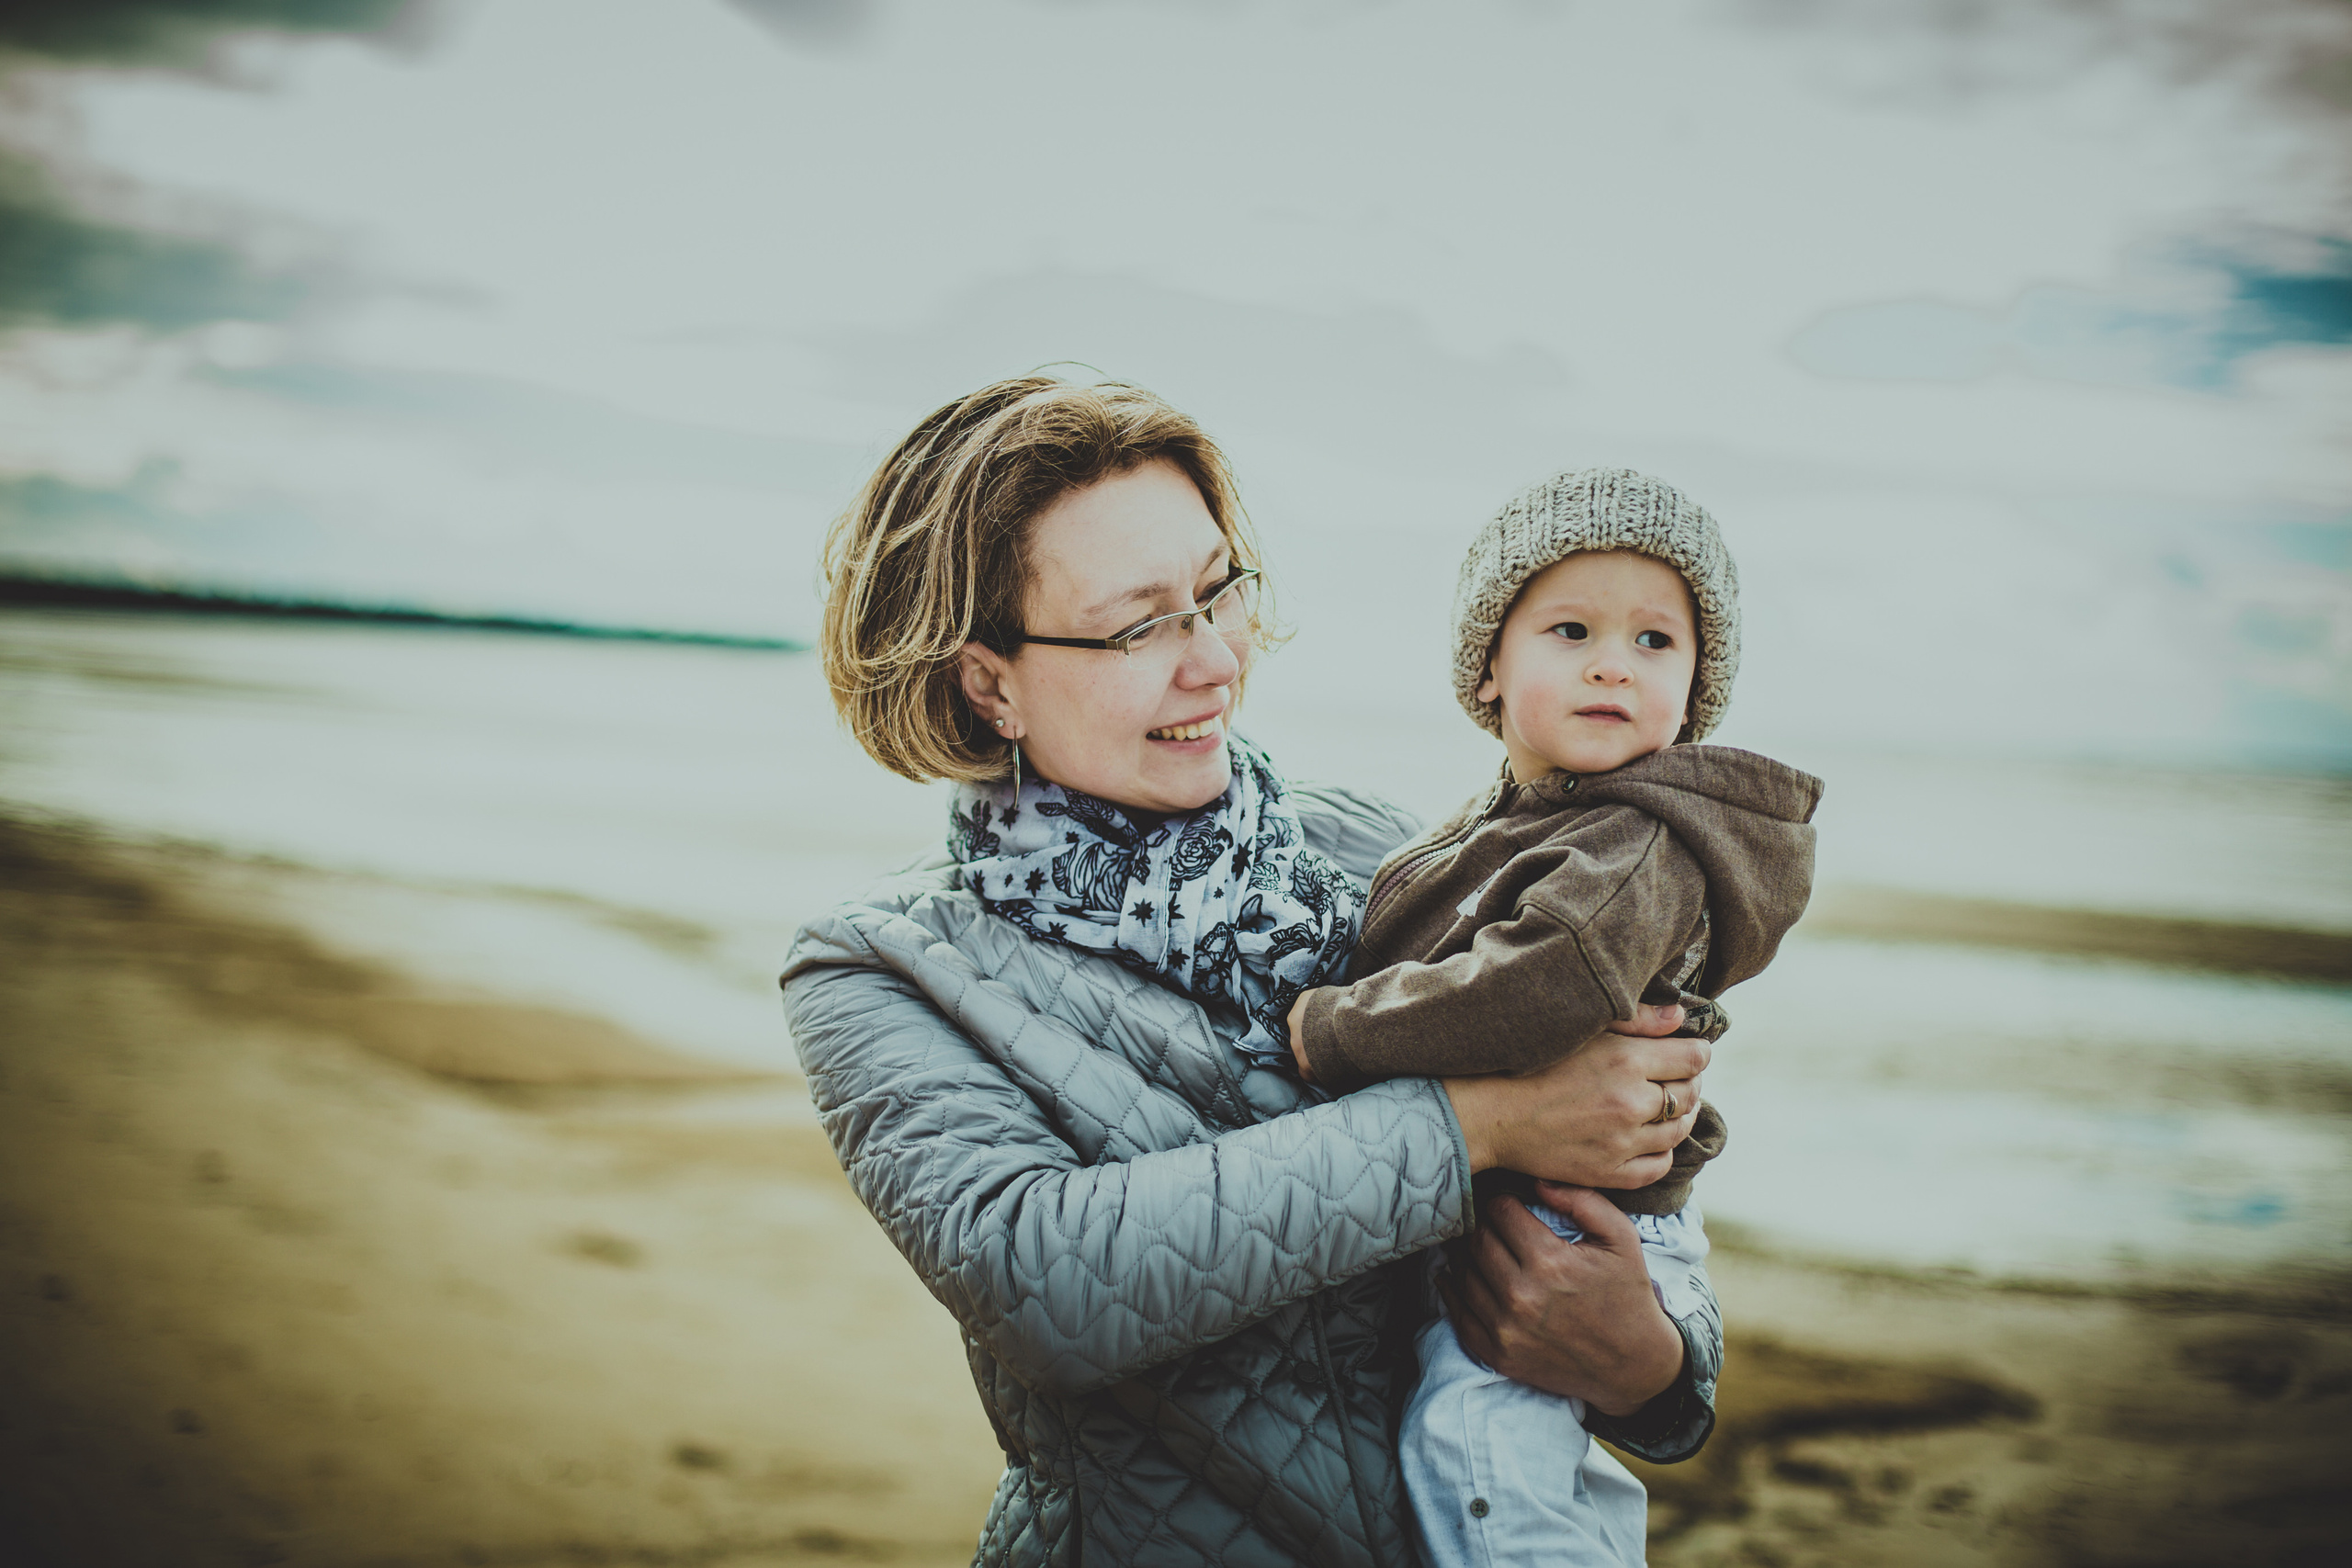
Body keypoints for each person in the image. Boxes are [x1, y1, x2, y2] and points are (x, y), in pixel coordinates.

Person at [780, 377, 1723, 1566]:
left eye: (1218, 589)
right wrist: (1473, 1126)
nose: (1214, 659)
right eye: (1140, 625)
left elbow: (1642, 1214)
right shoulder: (884, 966)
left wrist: (1651, 1357)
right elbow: (1048, 1283)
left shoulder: (1392, 855)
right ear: (988, 681)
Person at [1282, 469, 1822, 1565]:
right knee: (1525, 1462)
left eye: (1655, 642)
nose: (1614, 662)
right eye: (1571, 629)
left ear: (1695, 684)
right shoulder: (1524, 821)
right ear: (1488, 666)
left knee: (1479, 1444)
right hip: (1557, 1199)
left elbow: (1524, 991)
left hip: (1578, 1218)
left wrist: (1329, 1031)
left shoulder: (1628, 847)